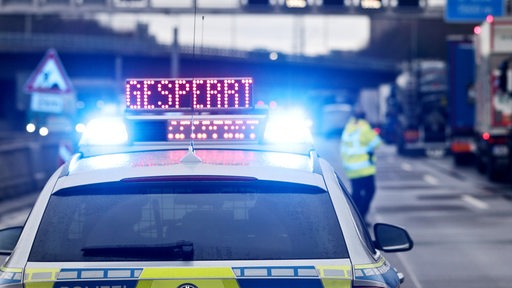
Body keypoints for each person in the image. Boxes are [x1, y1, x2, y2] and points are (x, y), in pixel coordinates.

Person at [340, 108, 382, 223]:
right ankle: (361, 218)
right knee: (370, 191)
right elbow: (377, 142)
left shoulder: (348, 127)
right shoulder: (364, 128)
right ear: (364, 117)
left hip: (350, 167)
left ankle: (351, 217)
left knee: (356, 193)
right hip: (364, 169)